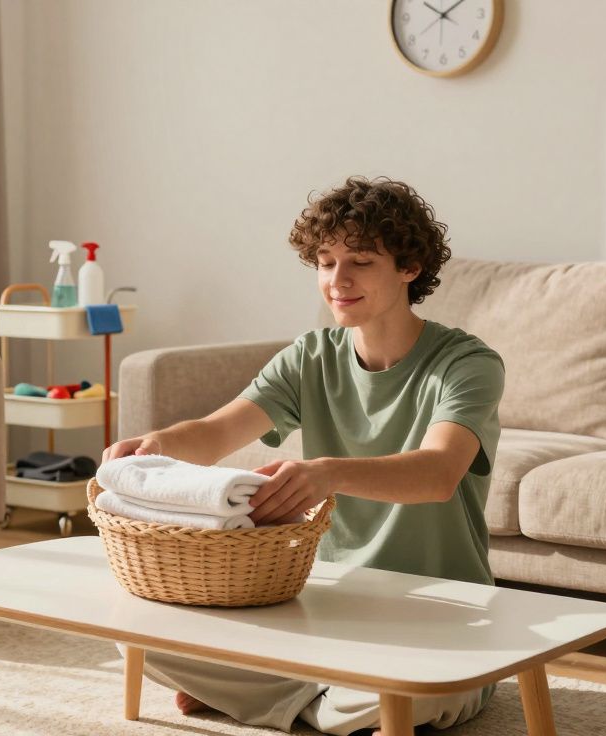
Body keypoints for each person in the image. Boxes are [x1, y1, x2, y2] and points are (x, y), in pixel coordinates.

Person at [102, 175, 505, 735]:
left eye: (360, 262)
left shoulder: (466, 363)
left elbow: (437, 474)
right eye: (325, 262)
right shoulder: (310, 356)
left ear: (409, 267)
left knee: (414, 692)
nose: (338, 281)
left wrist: (325, 474)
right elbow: (216, 432)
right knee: (135, 640)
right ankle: (318, 700)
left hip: (440, 612)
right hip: (327, 607)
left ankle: (276, 695)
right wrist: (158, 444)